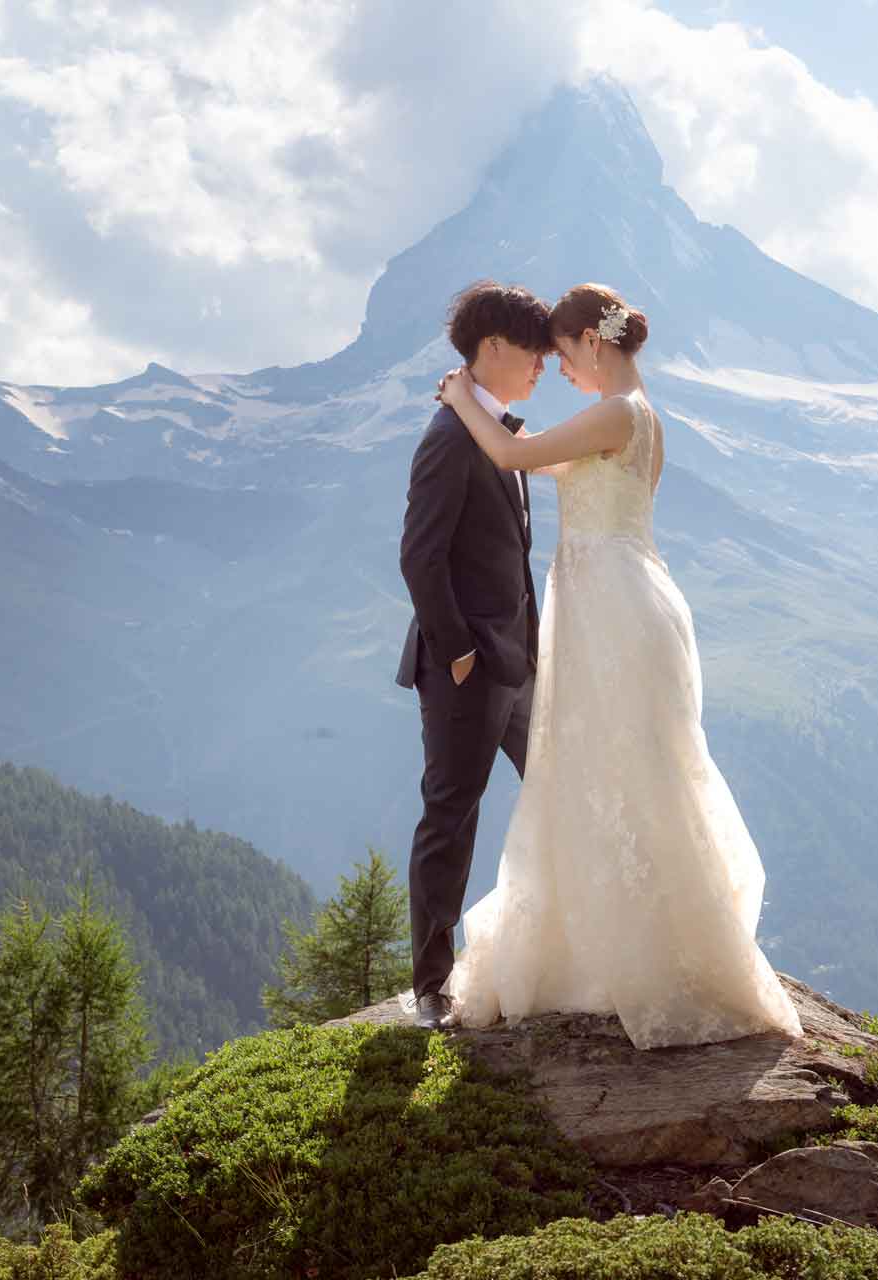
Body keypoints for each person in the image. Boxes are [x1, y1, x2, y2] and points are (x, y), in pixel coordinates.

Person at [435, 282, 803, 1049]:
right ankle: (627, 936)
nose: (561, 370)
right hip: (627, 602)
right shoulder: (641, 417)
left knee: (622, 767)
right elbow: (543, 463)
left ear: (593, 345)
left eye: (564, 356)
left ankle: (633, 948)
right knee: (625, 766)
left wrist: (458, 396)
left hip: (615, 614)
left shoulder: (611, 413)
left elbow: (508, 454)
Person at [396, 280, 553, 1032]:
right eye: (532, 353)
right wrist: (457, 652)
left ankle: (565, 949)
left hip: (520, 665)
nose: (542, 369)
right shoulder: (448, 439)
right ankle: (431, 984)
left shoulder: (500, 435)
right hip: (465, 669)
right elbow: (420, 558)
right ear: (491, 349)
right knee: (451, 815)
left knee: (563, 788)